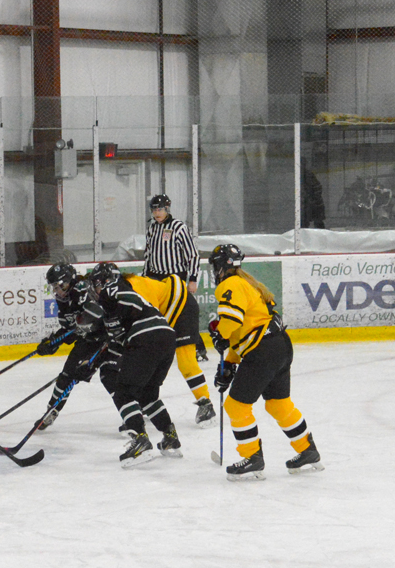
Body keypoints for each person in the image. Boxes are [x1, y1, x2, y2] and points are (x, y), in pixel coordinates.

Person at [207, 244, 324, 481]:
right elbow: (245, 330)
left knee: (236, 406)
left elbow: (231, 322)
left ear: (220, 266)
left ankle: (252, 458)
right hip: (279, 346)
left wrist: (220, 335)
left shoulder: (229, 285)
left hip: (263, 352)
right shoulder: (248, 283)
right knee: (278, 404)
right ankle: (307, 450)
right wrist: (229, 363)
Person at [81, 262, 180, 468]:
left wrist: (109, 309)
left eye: (96, 284)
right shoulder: (122, 301)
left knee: (123, 393)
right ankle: (170, 437)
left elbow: (124, 306)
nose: (94, 290)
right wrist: (93, 364)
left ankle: (140, 441)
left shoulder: (113, 291)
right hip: (166, 338)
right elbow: (116, 342)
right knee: (147, 395)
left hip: (146, 338)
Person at [143, 194, 216, 424]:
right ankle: (144, 404)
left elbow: (192, 254)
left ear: (168, 208)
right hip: (157, 288)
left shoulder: (178, 227)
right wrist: (145, 282)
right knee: (149, 355)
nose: (157, 212)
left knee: (185, 358)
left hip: (175, 285)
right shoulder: (152, 228)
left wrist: (192, 278)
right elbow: (148, 256)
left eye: (160, 208)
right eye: (154, 208)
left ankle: (205, 403)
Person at [34, 262, 112, 430]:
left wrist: (71, 334)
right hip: (88, 340)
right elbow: (70, 329)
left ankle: (140, 410)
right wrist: (54, 342)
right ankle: (51, 412)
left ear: (69, 281)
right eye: (54, 286)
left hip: (108, 338)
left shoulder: (81, 289)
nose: (56, 290)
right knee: (66, 375)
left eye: (59, 285)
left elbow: (97, 316)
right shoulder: (62, 299)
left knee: (112, 379)